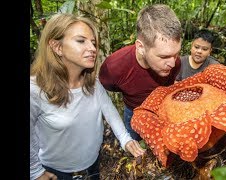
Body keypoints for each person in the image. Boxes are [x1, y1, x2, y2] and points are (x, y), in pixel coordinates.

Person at [30, 13, 145, 180]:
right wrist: (35, 172)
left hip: (92, 166)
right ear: (57, 47)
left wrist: (126, 140)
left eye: (93, 42)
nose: (92, 48)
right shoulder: (35, 90)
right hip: (56, 172)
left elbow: (110, 112)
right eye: (81, 41)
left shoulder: (93, 83)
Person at [99, 4, 182, 141]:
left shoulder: (175, 63)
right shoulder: (113, 68)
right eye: (163, 56)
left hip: (161, 111)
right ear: (141, 47)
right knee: (134, 145)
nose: (172, 63)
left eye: (176, 54)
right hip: (132, 112)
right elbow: (110, 86)